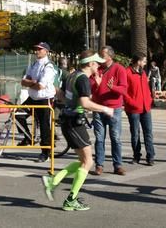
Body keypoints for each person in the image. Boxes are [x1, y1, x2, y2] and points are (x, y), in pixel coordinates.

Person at [41, 50, 114, 211]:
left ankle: (53, 181)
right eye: (96, 63)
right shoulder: (82, 80)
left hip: (69, 121)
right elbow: (85, 102)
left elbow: (60, 94)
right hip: (74, 123)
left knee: (84, 161)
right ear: (90, 64)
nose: (98, 65)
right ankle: (70, 198)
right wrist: (104, 109)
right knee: (88, 161)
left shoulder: (71, 76)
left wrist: (70, 102)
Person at [89, 46, 128, 175]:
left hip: (113, 108)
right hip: (98, 107)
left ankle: (118, 165)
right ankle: (99, 165)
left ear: (110, 56)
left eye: (102, 54)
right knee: (99, 138)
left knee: (115, 138)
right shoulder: (97, 69)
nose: (100, 57)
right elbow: (90, 87)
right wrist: (96, 81)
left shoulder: (119, 69)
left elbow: (123, 90)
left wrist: (113, 87)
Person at [16, 42, 56, 163]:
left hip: (44, 99)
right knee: (17, 115)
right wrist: (31, 82)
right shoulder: (33, 64)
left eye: (39, 49)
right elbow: (23, 81)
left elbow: (40, 86)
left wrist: (31, 82)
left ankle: (45, 153)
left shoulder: (48, 66)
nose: (36, 51)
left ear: (46, 52)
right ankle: (28, 138)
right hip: (32, 98)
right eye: (36, 49)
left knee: (44, 126)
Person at [124, 53, 155, 166]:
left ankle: (150, 156)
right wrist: (131, 102)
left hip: (146, 107)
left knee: (148, 133)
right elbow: (124, 91)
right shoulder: (127, 72)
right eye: (144, 61)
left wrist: (149, 99)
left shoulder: (143, 72)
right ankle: (136, 155)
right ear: (138, 61)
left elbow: (146, 88)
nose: (145, 63)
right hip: (133, 109)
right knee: (135, 133)